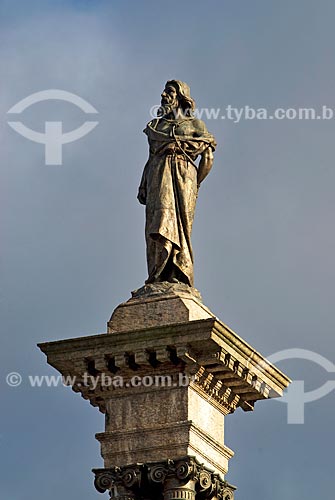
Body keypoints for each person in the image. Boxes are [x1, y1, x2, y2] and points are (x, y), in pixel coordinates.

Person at [137, 80, 216, 287]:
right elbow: (151, 157)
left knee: (180, 227)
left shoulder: (195, 125)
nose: (164, 95)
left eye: (169, 92)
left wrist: (194, 185)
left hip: (183, 174)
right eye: (164, 91)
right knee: (157, 222)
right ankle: (157, 275)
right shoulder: (157, 127)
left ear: (181, 97)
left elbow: (208, 157)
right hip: (158, 173)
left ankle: (177, 272)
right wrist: (143, 184)